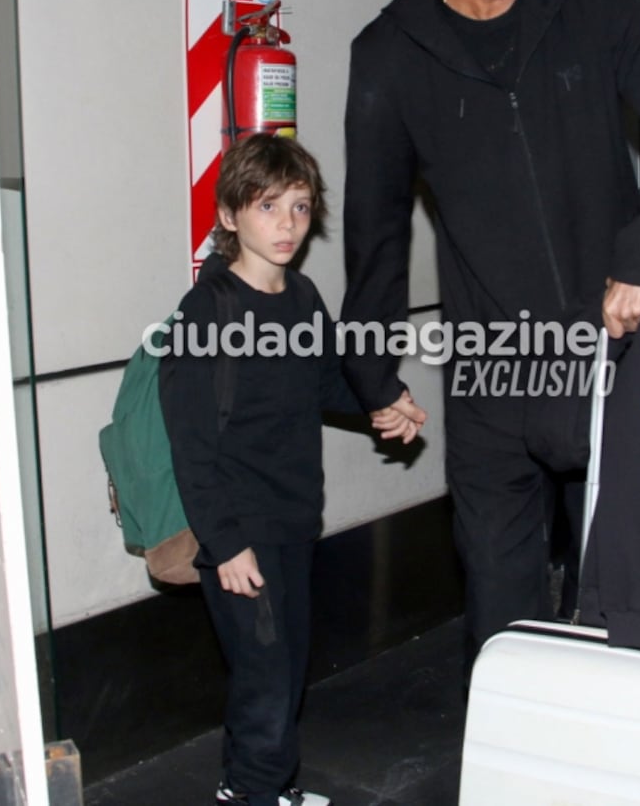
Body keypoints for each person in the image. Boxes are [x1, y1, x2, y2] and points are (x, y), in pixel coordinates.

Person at [340, 0, 640, 671]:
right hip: (494, 381)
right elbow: (375, 233)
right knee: (503, 640)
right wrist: (370, 371)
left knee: (625, 629)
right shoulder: (390, 54)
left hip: (614, 358)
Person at [159, 133, 413, 806]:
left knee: (278, 669)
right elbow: (191, 443)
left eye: (300, 207)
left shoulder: (299, 296)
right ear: (228, 214)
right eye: (267, 205)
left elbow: (325, 381)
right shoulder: (205, 312)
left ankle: (249, 784)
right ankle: (255, 792)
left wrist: (381, 402)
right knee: (268, 674)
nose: (286, 224)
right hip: (240, 527)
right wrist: (225, 541)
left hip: (294, 517)